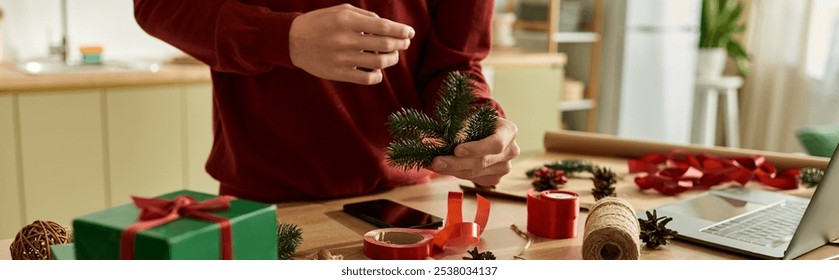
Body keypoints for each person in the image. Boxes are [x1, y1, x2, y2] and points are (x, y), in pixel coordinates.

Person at [133, 1, 520, 203]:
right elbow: (157, 4)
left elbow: (453, 64)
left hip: (415, 200)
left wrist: (477, 124)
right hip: (267, 201)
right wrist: (280, 37)